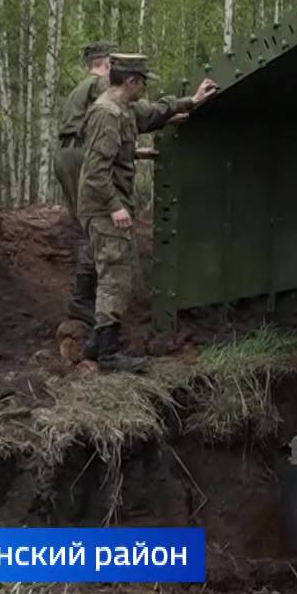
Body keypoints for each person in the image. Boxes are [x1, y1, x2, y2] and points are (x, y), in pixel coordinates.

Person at [53, 41, 216, 325]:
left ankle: (84, 301)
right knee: (99, 225)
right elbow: (133, 112)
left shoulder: (82, 89)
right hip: (83, 153)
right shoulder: (103, 88)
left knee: (90, 226)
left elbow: (134, 118)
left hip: (68, 152)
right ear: (108, 64)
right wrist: (178, 105)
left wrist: (179, 107)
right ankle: (85, 303)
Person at [76, 53, 174, 373]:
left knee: (114, 272)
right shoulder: (107, 114)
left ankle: (95, 345)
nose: (145, 87)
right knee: (115, 277)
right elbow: (94, 172)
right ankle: (108, 354)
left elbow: (154, 112)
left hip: (105, 206)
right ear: (131, 81)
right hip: (104, 208)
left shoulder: (123, 110)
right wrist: (115, 207)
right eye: (143, 81)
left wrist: (191, 100)